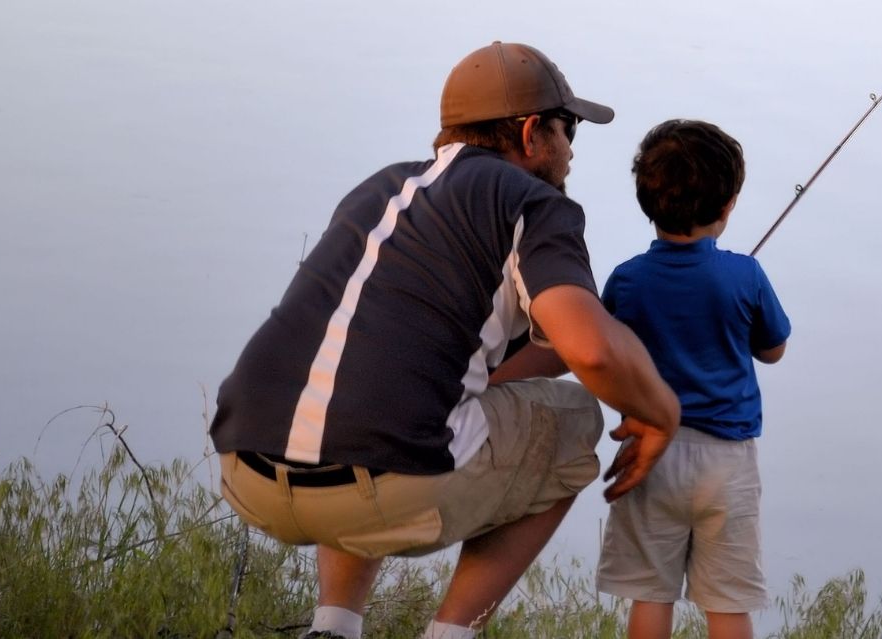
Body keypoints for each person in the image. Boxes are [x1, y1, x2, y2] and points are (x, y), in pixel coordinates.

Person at [207, 41, 682, 639]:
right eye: (568, 131)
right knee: (574, 424)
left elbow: (552, 348)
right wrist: (660, 412)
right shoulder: (536, 204)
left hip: (246, 468)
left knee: (364, 387)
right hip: (382, 491)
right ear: (532, 133)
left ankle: (332, 628)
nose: (569, 152)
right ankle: (452, 634)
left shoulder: (379, 189)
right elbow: (590, 351)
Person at [594, 119, 792, 639]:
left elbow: (607, 347)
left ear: (647, 201)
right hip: (726, 462)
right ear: (726, 207)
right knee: (728, 602)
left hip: (648, 454)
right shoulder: (745, 275)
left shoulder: (627, 279)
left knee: (650, 594)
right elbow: (773, 350)